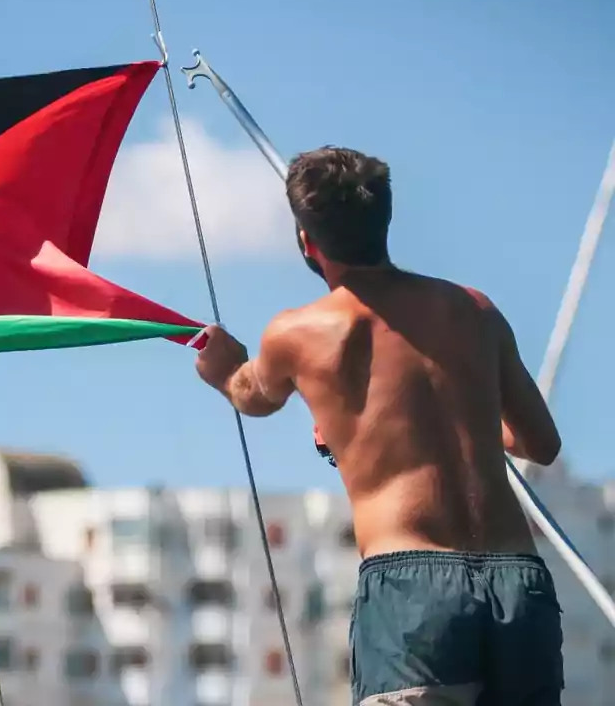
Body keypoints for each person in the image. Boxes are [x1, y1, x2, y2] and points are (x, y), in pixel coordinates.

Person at [194, 147, 565, 705]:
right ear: (386, 220)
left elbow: (253, 395)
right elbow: (541, 442)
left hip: (413, 588)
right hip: (519, 581)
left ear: (306, 241)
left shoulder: (300, 332)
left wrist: (223, 368)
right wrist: (450, 420)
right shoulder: (475, 309)